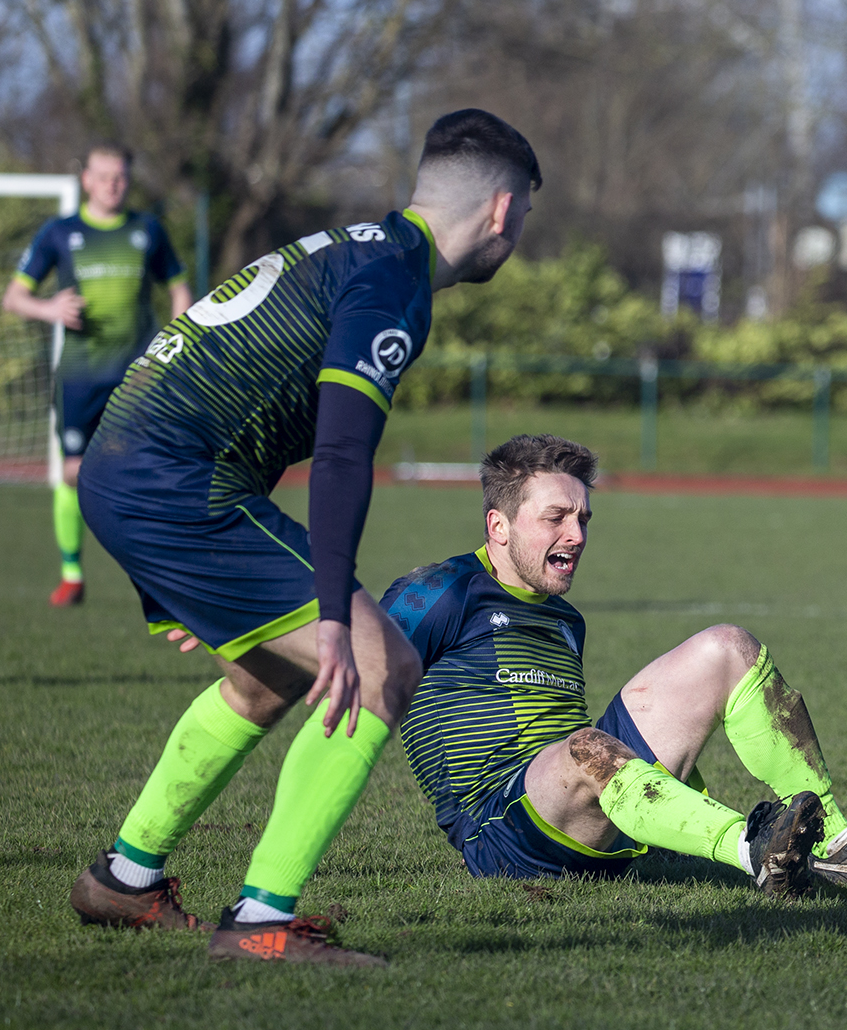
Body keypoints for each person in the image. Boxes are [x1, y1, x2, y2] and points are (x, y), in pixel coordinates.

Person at [67, 109, 539, 967]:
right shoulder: (392, 278)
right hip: (174, 481)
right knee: (379, 662)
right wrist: (332, 607)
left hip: (127, 466)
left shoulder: (354, 246)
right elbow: (342, 448)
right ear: (502, 211)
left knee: (266, 678)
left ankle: (124, 878)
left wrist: (170, 571)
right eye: (524, 221)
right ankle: (260, 921)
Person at [385, 434, 847, 897]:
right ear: (498, 525)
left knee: (728, 647)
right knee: (588, 745)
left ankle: (835, 840)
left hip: (583, 806)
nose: (577, 535)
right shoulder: (438, 592)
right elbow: (353, 677)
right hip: (500, 832)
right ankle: (755, 851)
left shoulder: (565, 619)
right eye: (556, 517)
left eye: (584, 518)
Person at [1, 145, 192, 606]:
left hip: (138, 378)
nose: (113, 184)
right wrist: (48, 308)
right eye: (104, 176)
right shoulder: (60, 233)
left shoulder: (147, 230)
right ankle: (72, 574)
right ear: (86, 179)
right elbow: (13, 297)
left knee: (144, 474)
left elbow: (179, 289)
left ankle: (156, 580)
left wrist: (176, 342)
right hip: (80, 377)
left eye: (121, 177)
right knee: (71, 473)